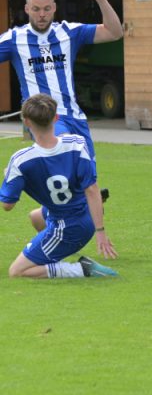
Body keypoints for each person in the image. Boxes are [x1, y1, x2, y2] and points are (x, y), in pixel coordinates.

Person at [0, 0, 124, 235]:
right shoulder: (14, 38)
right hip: (45, 119)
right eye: (36, 9)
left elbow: (114, 32)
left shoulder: (69, 32)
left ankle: (43, 218)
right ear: (26, 8)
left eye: (46, 8)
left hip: (76, 117)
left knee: (84, 184)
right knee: (74, 174)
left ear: (54, 8)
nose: (41, 14)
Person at [0, 93, 118, 278]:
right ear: (56, 118)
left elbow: (7, 205)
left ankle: (81, 269)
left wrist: (9, 176)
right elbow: (92, 189)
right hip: (86, 213)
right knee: (36, 217)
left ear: (27, 122)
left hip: (68, 226)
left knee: (17, 271)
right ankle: (55, 252)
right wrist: (100, 231)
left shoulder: (21, 161)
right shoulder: (77, 144)